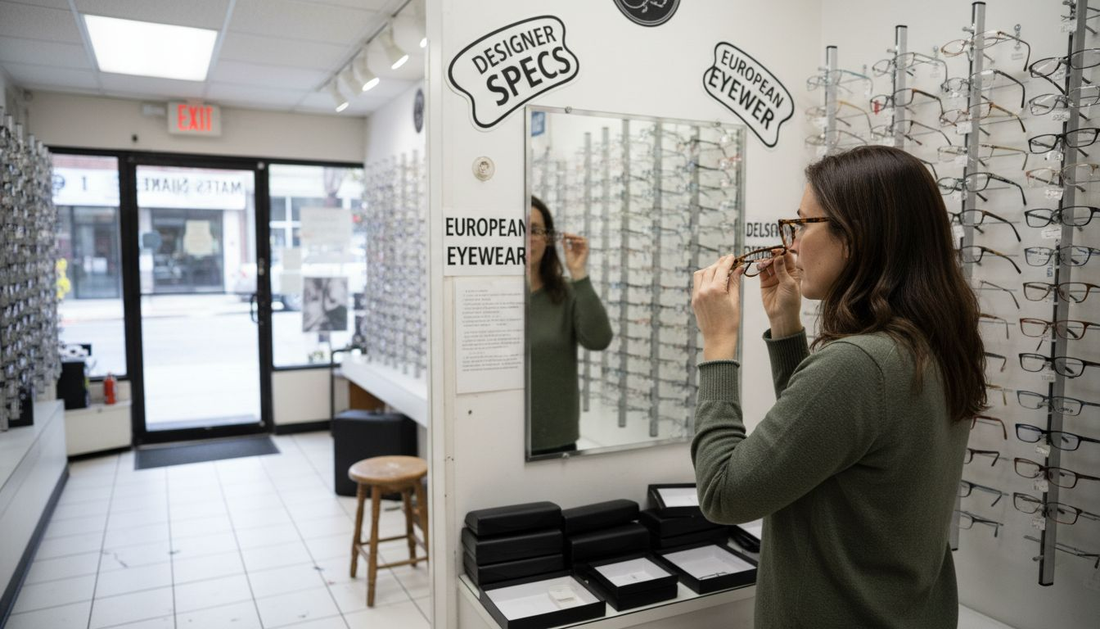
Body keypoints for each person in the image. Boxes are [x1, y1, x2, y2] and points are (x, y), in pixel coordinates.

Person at [690, 146, 986, 628]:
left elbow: (725, 493)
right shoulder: (929, 343)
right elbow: (822, 450)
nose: (792, 245)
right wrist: (786, 326)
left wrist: (719, 343)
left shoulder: (858, 364)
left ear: (855, 236)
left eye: (803, 224)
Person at [527, 196, 613, 456]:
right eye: (516, 229)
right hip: (496, 435)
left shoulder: (565, 293)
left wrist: (578, 274)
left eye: (534, 230)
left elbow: (598, 340)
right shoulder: (488, 296)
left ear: (548, 238)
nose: (526, 238)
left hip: (555, 441)